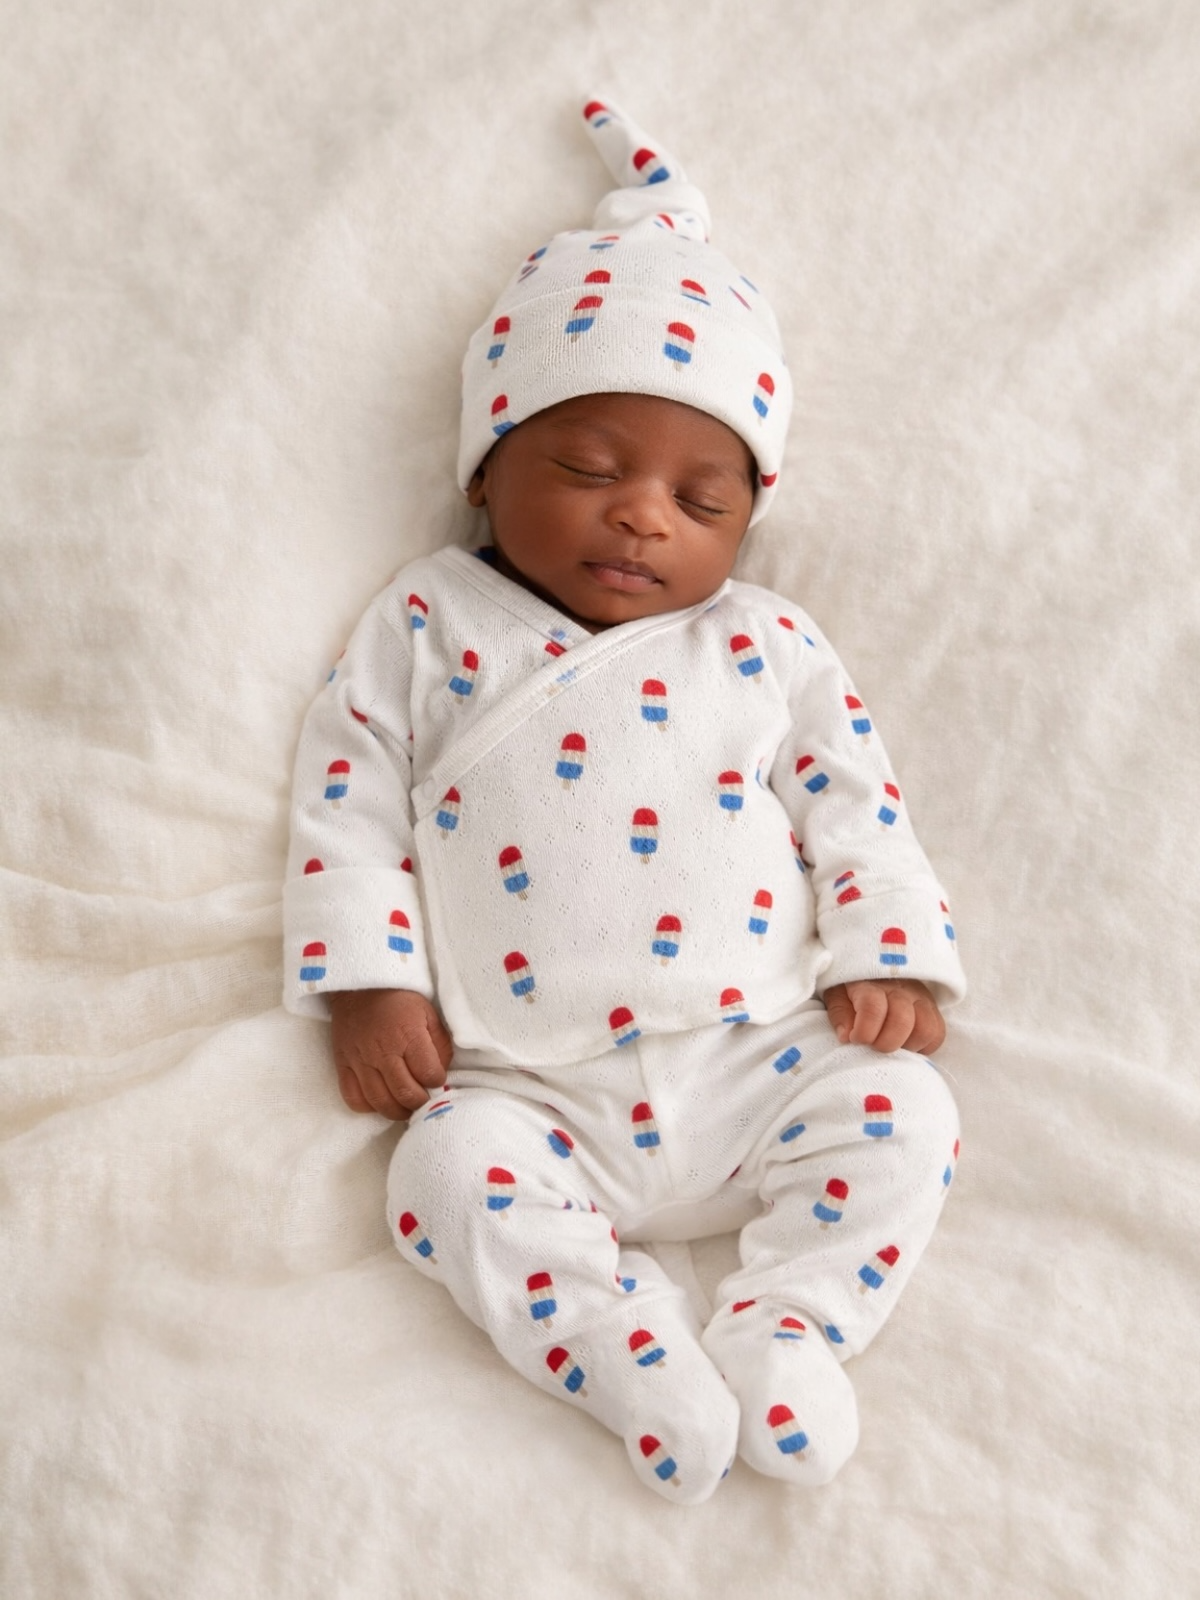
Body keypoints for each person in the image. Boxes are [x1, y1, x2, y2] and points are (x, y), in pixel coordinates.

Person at [283, 98, 965, 1504]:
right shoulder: (429, 620)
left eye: (701, 500)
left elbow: (853, 798)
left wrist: (888, 942)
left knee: (907, 1115)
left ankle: (791, 1326)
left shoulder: (767, 643)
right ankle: (610, 1342)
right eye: (590, 471)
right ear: (487, 465)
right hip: (533, 1087)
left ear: (745, 521)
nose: (644, 513)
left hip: (759, 1053)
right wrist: (368, 982)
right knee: (441, 1180)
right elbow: (348, 796)